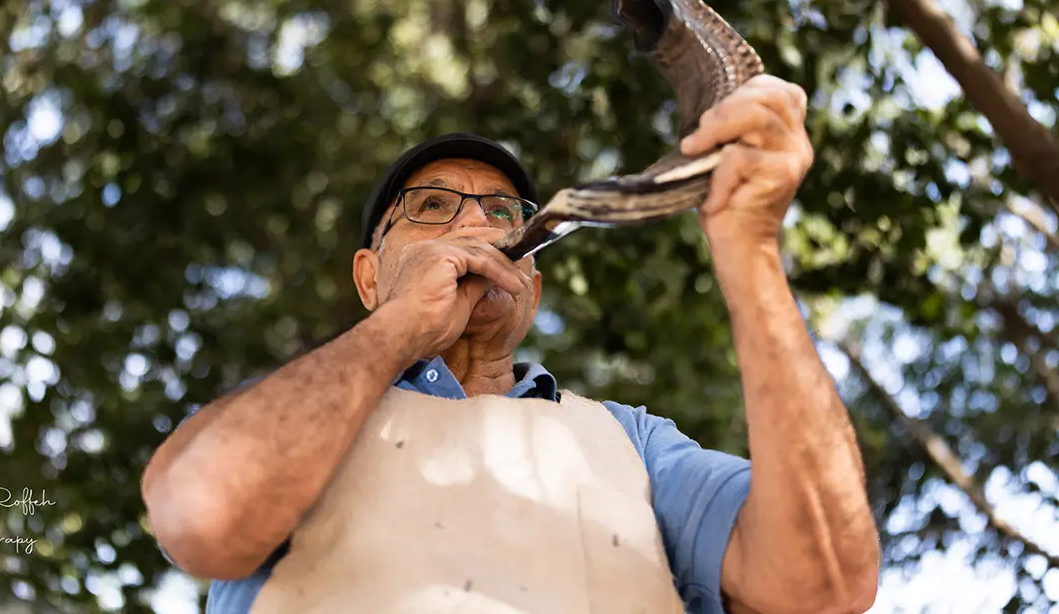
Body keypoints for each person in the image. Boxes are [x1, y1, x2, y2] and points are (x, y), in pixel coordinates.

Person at [141, 74, 881, 614]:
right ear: (368, 277)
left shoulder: (631, 440)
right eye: (432, 208)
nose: (478, 227)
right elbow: (199, 514)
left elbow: (823, 582)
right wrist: (401, 326)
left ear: (533, 279)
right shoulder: (300, 417)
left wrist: (749, 249)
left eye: (504, 212)